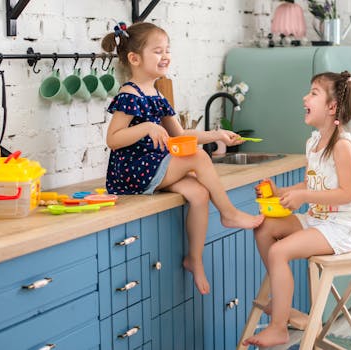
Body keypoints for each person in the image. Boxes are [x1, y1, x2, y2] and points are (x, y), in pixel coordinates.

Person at [101, 21, 264, 295]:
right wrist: (146, 128)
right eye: (158, 51)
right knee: (198, 158)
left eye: (167, 50)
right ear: (134, 58)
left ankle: (194, 259)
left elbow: (178, 138)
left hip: (153, 167)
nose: (165, 56)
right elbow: (113, 139)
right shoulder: (129, 94)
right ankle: (229, 213)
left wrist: (217, 135)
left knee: (199, 194)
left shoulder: (157, 94)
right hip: (133, 172)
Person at [243, 71, 351, 347]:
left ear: (332, 107)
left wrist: (305, 196)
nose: (305, 98)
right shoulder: (314, 143)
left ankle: (279, 327)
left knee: (279, 250)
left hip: (340, 228)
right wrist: (282, 192)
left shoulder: (343, 146)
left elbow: (346, 194)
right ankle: (286, 308)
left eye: (313, 93)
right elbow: (311, 182)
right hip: (317, 220)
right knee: (263, 227)